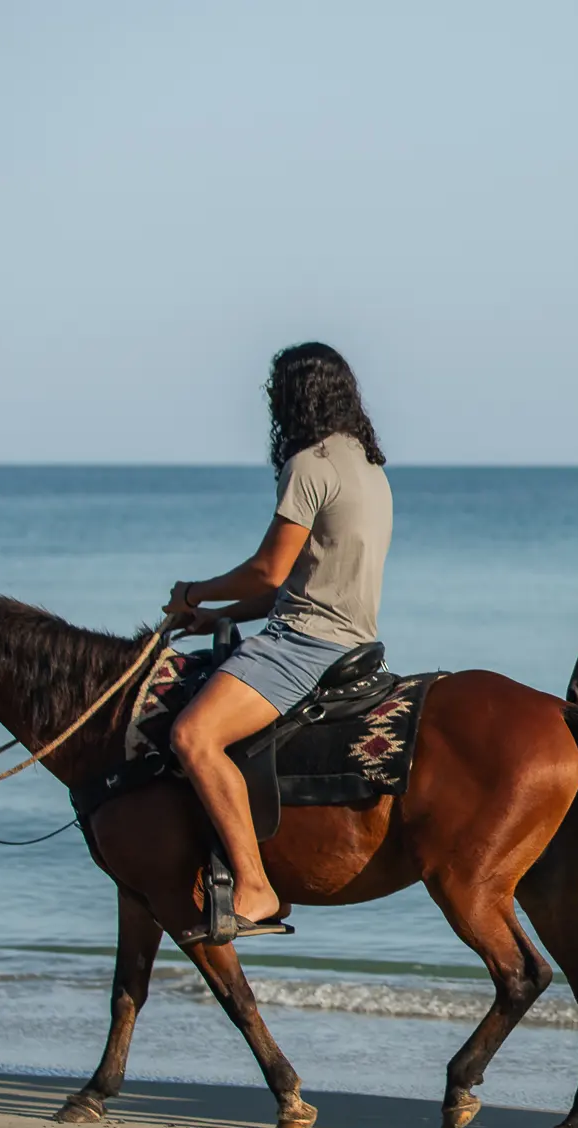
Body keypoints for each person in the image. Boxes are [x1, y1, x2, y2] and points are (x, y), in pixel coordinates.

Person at [162, 342, 394, 938]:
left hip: (303, 645)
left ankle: (257, 886)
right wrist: (214, 616)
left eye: (277, 395)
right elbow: (290, 584)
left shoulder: (308, 465)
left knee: (192, 735)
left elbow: (268, 571)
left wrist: (193, 592)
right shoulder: (369, 468)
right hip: (352, 640)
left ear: (296, 397)